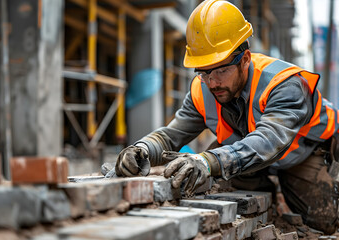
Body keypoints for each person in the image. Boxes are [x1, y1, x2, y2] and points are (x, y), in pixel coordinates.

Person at [114, 0, 339, 234]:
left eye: (221, 70)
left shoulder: (285, 84)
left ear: (245, 60)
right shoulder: (203, 89)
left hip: (303, 154)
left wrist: (207, 161)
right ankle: (267, 191)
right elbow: (172, 135)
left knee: (322, 221)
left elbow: (269, 141)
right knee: (223, 186)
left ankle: (286, 188)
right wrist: (142, 149)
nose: (212, 82)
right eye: (204, 72)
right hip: (246, 154)